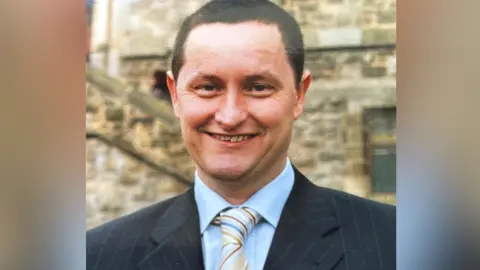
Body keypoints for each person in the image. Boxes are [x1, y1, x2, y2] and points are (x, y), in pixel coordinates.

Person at [87, 1, 395, 269]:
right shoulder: (97, 256)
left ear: (299, 95)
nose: (230, 116)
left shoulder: (395, 244)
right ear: (175, 95)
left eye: (258, 87)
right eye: (208, 87)